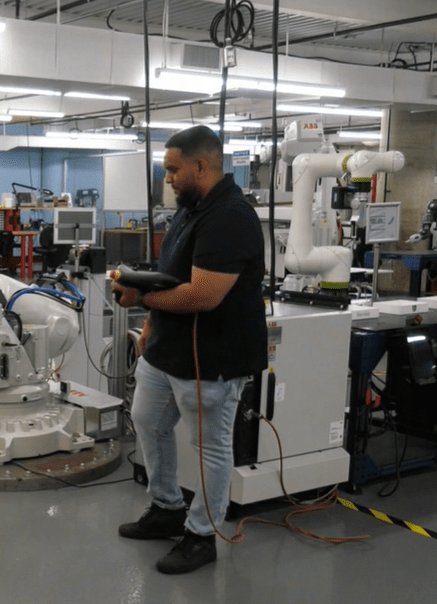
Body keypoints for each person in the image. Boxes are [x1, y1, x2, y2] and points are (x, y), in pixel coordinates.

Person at [112, 125, 267, 574]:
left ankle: (202, 536)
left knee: (210, 447)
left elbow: (203, 295)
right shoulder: (190, 209)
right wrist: (149, 322)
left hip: (213, 357)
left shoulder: (231, 218)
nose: (169, 179)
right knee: (147, 420)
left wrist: (141, 298)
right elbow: (169, 274)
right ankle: (166, 507)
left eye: (174, 169)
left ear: (202, 165)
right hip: (168, 348)